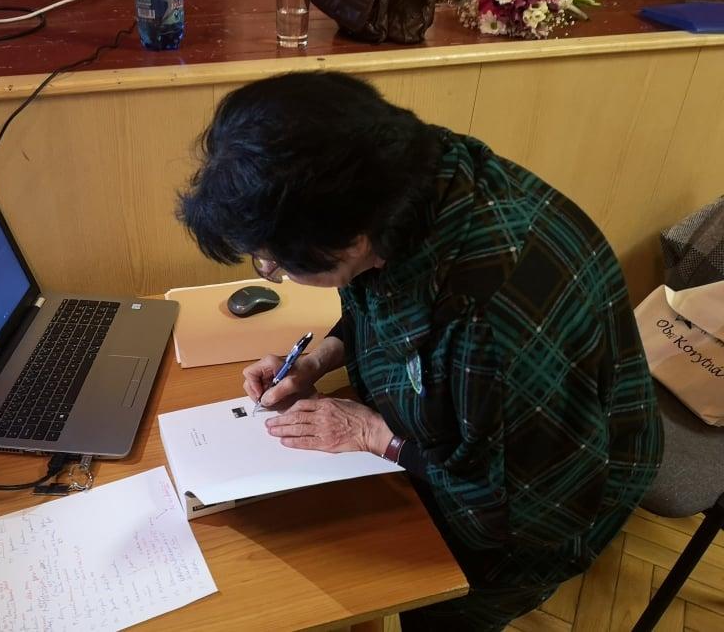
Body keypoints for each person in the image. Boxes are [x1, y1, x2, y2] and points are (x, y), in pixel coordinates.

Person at [176, 71, 662, 630]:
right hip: (482, 433)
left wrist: (374, 436)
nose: (273, 273)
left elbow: (518, 510)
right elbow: (375, 298)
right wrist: (318, 358)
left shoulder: (488, 317)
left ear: (350, 241)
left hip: (538, 510)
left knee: (416, 606)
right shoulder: (410, 176)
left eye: (276, 262)